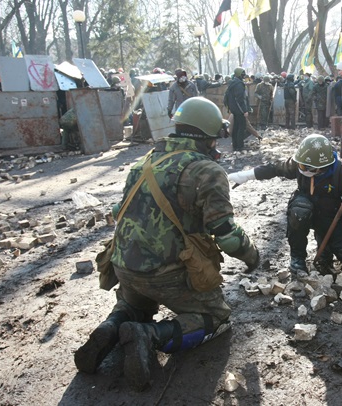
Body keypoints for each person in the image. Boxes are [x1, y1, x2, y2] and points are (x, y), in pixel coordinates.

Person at [74, 97, 260, 390]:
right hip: (170, 275)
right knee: (218, 318)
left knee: (134, 305)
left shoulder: (145, 161)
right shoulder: (206, 170)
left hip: (126, 269)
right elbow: (226, 235)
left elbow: (116, 212)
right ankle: (151, 336)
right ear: (209, 136)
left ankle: (110, 329)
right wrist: (252, 256)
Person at [227, 134, 342, 274]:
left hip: (329, 216)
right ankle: (297, 257)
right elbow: (275, 168)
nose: (304, 170)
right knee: (300, 211)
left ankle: (325, 250)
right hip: (304, 210)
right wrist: (245, 176)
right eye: (302, 166)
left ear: (325, 166)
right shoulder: (300, 164)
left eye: (310, 168)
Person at [225, 67, 250, 151]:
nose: (244, 75)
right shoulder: (239, 84)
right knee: (241, 128)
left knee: (235, 127)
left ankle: (235, 145)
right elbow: (240, 99)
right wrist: (244, 111)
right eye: (242, 73)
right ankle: (240, 146)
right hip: (239, 110)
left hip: (234, 109)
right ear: (239, 74)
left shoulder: (233, 83)